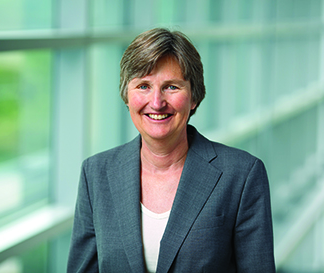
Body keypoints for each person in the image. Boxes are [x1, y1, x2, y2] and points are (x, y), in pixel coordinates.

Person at [67, 28, 276, 273]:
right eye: (143, 86)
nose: (156, 102)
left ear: (194, 96)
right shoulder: (96, 174)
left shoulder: (241, 175)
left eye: (171, 87)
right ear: (126, 96)